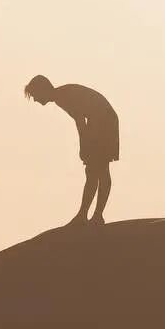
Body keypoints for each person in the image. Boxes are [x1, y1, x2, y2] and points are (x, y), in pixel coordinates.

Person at [24, 75, 119, 226]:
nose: (35, 99)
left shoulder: (62, 96)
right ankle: (89, 215)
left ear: (42, 89)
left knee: (98, 169)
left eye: (35, 95)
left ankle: (91, 215)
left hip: (103, 121)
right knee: (95, 170)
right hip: (103, 120)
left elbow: (80, 120)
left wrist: (84, 147)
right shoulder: (61, 95)